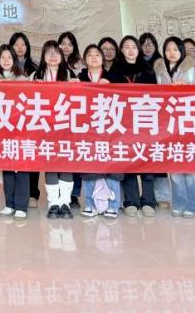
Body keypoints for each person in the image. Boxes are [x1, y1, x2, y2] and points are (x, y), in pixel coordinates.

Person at [154, 36, 195, 218]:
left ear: (181, 51)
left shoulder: (192, 71)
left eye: (175, 49)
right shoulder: (159, 72)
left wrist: (187, 87)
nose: (171, 53)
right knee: (175, 166)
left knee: (192, 167)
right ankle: (180, 202)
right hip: (170, 126)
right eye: (168, 49)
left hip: (190, 124)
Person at [78, 45, 124, 219]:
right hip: (88, 130)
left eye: (97, 54)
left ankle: (113, 205)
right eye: (90, 55)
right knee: (89, 167)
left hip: (110, 129)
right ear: (85, 59)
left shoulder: (114, 76)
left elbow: (125, 99)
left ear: (103, 59)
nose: (94, 57)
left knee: (112, 167)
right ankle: (90, 204)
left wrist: (112, 86)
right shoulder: (80, 78)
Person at [116, 35, 156, 216]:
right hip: (124, 122)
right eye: (127, 47)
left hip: (145, 120)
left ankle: (149, 200)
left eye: (134, 47)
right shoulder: (115, 70)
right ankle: (131, 200)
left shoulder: (148, 69)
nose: (131, 50)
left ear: (138, 50)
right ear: (121, 50)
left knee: (146, 160)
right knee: (129, 160)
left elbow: (156, 95)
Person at [34, 40, 74, 219]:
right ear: (43, 56)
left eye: (56, 52)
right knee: (50, 164)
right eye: (48, 52)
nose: (52, 56)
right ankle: (53, 203)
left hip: (66, 127)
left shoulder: (69, 74)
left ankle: (65, 202)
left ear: (62, 56)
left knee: (65, 164)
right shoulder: (36, 75)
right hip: (45, 127)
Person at [0, 44, 32, 219]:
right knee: (7, 167)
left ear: (14, 59)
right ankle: (9, 204)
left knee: (22, 167)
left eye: (9, 57)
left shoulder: (24, 79)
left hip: (21, 128)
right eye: (3, 57)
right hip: (3, 129)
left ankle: (21, 206)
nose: (6, 60)